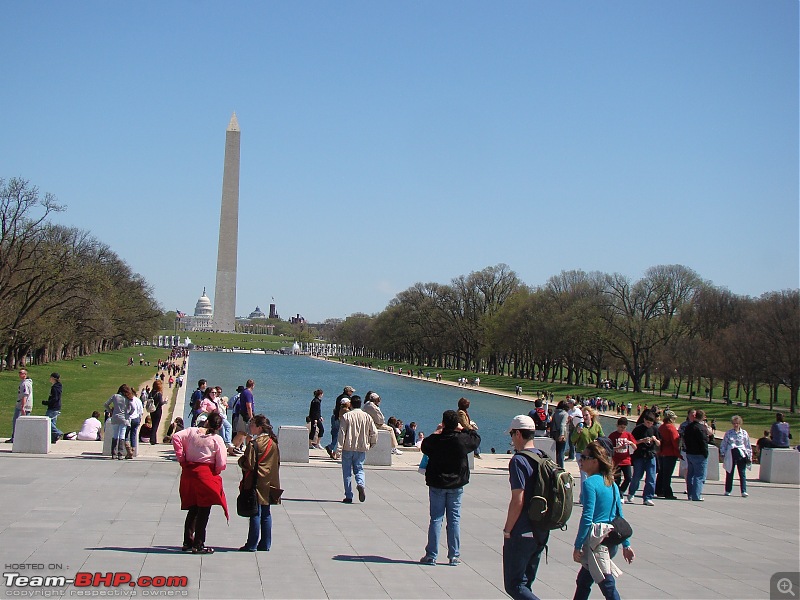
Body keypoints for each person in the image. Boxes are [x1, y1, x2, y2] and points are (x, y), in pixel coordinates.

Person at [573, 441, 635, 600]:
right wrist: (626, 545)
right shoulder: (611, 482)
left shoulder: (590, 483)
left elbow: (587, 516)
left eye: (584, 457)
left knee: (606, 583)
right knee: (583, 581)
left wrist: (578, 545)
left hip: (597, 542)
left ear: (595, 462)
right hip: (611, 539)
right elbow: (618, 515)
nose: (581, 460)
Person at [419, 410, 481, 567]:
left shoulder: (436, 440)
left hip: (437, 483)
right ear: (456, 425)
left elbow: (425, 445)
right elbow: (476, 439)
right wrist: (464, 429)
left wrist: (437, 430)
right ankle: (454, 555)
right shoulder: (461, 441)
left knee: (436, 519)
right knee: (454, 520)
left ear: (443, 423)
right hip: (456, 483)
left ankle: (431, 555)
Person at [502, 415, 550, 599]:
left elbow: (518, 499)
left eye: (512, 435)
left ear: (519, 434)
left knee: (515, 585)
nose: (512, 439)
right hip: (541, 528)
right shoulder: (543, 457)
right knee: (526, 584)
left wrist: (508, 529)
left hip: (522, 529)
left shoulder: (519, 460)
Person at [171, 412, 228, 554]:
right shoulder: (217, 439)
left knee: (193, 508)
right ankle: (199, 543)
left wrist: (181, 457)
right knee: (204, 509)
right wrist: (217, 470)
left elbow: (176, 437)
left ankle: (187, 541)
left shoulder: (191, 432)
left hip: (190, 472)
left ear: (206, 421)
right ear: (219, 426)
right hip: (206, 474)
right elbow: (221, 462)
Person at [238, 415, 281, 551]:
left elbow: (249, 464)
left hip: (256, 482)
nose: (250, 427)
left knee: (255, 513)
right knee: (266, 513)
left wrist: (241, 461)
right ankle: (265, 544)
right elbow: (277, 463)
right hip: (270, 482)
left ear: (259, 427)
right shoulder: (273, 443)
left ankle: (251, 544)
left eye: (252, 424)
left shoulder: (254, 444)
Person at [336, 396, 377, 503]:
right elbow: (374, 432)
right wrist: (372, 443)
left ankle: (348, 495)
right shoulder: (367, 416)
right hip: (362, 447)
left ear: (351, 405)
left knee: (347, 472)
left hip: (348, 447)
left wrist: (338, 449)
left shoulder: (346, 416)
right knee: (359, 469)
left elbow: (342, 433)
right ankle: (360, 484)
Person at [571, 407, 604, 503]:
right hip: (581, 453)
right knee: (584, 475)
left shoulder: (597, 426)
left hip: (594, 454)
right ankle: (584, 498)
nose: (584, 417)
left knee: (594, 476)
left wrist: (598, 441)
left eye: (586, 415)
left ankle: (592, 496)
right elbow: (573, 440)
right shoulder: (579, 425)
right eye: (583, 416)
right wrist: (577, 432)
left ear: (591, 415)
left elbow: (603, 438)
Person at [720, 415, 752, 498]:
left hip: (741, 454)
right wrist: (723, 453)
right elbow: (724, 444)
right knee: (729, 472)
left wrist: (749, 455)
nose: (736, 425)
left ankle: (743, 490)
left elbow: (747, 445)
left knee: (742, 472)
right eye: (734, 423)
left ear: (740, 423)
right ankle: (728, 490)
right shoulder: (729, 433)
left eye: (737, 423)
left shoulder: (744, 433)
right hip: (731, 454)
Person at [683, 409, 710, 501]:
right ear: (702, 417)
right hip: (699, 454)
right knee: (699, 475)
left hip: (690, 453)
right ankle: (696, 495)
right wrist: (705, 453)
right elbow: (704, 441)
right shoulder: (701, 428)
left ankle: (690, 494)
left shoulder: (688, 427)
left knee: (690, 474)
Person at [104, 385, 136, 460]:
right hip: (124, 418)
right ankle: (120, 453)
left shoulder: (115, 396)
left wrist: (110, 411)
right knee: (122, 435)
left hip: (115, 417)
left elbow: (106, 404)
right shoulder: (128, 398)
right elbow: (133, 408)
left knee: (115, 435)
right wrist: (129, 413)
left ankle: (113, 453)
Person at [607, 417, 636, 498]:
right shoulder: (613, 435)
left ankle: (621, 491)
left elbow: (635, 447)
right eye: (620, 427)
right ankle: (618, 495)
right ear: (617, 426)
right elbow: (609, 449)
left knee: (628, 478)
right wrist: (618, 448)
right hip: (616, 461)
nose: (622, 429)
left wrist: (630, 443)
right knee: (617, 479)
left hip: (626, 460)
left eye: (624, 427)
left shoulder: (628, 435)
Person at [655, 410, 680, 500]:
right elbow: (675, 441)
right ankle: (667, 492)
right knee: (667, 474)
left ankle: (659, 489)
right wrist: (679, 453)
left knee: (662, 473)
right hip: (670, 453)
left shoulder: (661, 427)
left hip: (661, 453)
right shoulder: (671, 428)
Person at [326, 385, 355, 459]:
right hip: (340, 419)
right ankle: (331, 447)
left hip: (335, 417)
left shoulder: (339, 397)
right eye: (351, 391)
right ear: (348, 391)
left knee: (335, 434)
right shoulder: (346, 399)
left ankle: (333, 450)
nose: (352, 393)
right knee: (340, 436)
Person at [7, 368, 34, 443]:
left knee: (17, 421)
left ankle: (16, 438)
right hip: (25, 405)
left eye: (21, 373)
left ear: (25, 375)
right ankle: (21, 437)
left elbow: (25, 395)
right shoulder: (26, 383)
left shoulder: (25, 384)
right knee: (24, 422)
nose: (19, 374)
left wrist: (23, 407)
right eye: (19, 373)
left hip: (22, 406)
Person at [232, 379, 255, 450]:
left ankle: (232, 447)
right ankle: (249, 450)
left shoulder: (243, 392)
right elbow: (249, 406)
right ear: (253, 385)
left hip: (242, 414)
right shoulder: (248, 393)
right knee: (250, 434)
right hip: (246, 415)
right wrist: (251, 417)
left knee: (241, 433)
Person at [43, 372, 63, 443]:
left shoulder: (54, 388)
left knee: (47, 421)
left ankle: (58, 433)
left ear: (53, 378)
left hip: (53, 407)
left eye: (50, 377)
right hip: (57, 407)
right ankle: (54, 437)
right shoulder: (58, 386)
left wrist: (46, 402)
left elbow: (55, 398)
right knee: (52, 422)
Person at [550, 400, 569, 469]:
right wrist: (562, 434)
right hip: (561, 434)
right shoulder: (565, 414)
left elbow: (552, 424)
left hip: (555, 434)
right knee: (561, 451)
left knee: (556, 451)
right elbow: (562, 425)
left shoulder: (555, 413)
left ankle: (556, 466)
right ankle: (561, 467)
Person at [127, 388, 144, 459]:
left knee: (125, 435)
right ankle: (133, 448)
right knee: (133, 435)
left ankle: (128, 451)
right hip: (136, 418)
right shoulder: (138, 400)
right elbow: (141, 412)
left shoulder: (128, 400)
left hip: (129, 418)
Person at [149, 380, 167, 445]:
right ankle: (153, 440)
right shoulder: (159, 394)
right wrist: (165, 401)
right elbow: (160, 403)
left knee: (153, 424)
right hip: (158, 411)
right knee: (155, 425)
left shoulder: (151, 393)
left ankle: (153, 438)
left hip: (152, 410)